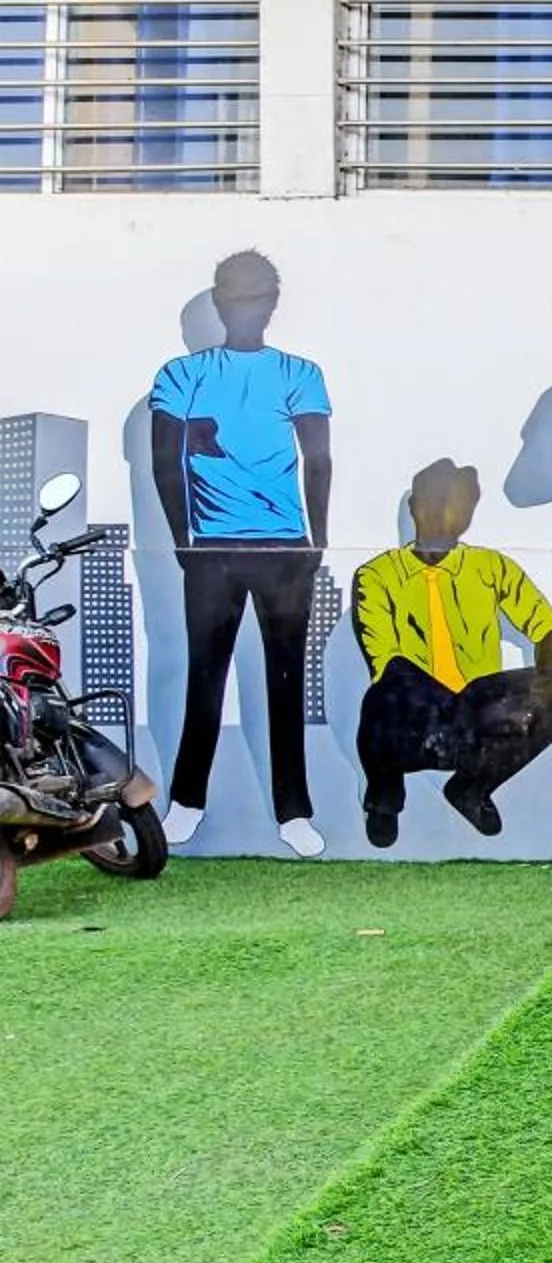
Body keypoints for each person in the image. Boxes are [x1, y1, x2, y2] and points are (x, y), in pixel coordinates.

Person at [148, 249, 331, 857]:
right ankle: (185, 803)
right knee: (205, 678)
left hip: (284, 547)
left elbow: (318, 458)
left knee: (285, 681)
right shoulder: (180, 374)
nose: (246, 307)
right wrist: (185, 539)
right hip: (213, 550)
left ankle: (294, 812)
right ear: (220, 301)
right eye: (235, 295)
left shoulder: (300, 372)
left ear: (273, 304)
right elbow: (163, 461)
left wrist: (315, 539)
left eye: (257, 296)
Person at [350, 460, 552, 848]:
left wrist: (540, 682)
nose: (443, 514)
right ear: (413, 508)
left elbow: (547, 626)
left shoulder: (490, 566)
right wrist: (446, 709)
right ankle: (384, 801)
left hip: (474, 709)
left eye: (456, 504)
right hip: (411, 712)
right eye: (433, 502)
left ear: (469, 514)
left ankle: (472, 788)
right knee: (381, 697)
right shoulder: (376, 575)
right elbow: (385, 659)